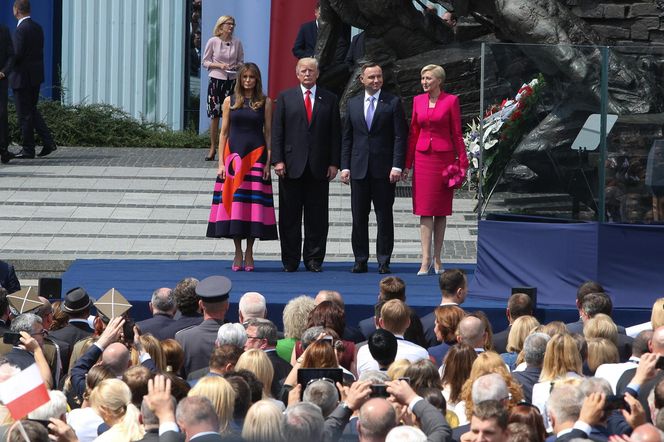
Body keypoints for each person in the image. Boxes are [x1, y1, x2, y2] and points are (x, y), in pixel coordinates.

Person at [271, 57, 341, 273]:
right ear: (297, 74)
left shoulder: (329, 98)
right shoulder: (285, 97)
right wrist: (278, 160)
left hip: (319, 167)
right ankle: (290, 260)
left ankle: (314, 259)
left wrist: (334, 163)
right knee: (289, 216)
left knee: (317, 217)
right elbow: (277, 131)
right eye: (304, 71)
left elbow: (335, 133)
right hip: (291, 166)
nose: (308, 74)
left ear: (318, 74)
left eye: (311, 70)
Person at [207, 62, 277, 271]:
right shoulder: (230, 101)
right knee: (236, 206)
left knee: (252, 208)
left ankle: (250, 252)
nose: (248, 80)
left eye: (251, 77)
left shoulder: (265, 101)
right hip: (233, 160)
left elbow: (268, 133)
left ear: (257, 80)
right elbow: (224, 133)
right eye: (245, 77)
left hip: (256, 158)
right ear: (240, 79)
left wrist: (268, 161)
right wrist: (220, 162)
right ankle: (237, 252)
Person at [340, 62, 407, 275]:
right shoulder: (352, 104)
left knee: (384, 217)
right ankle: (360, 259)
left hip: (384, 170)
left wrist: (397, 165)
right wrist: (345, 166)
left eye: (379, 77)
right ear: (362, 80)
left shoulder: (393, 102)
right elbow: (347, 138)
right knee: (359, 217)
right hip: (359, 169)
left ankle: (383, 260)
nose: (376, 80)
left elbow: (399, 136)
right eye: (371, 77)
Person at [402, 64, 468, 276]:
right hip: (423, 159)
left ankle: (438, 258)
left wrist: (463, 163)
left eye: (428, 78)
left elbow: (457, 133)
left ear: (439, 81)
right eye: (422, 78)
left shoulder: (451, 101)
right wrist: (407, 164)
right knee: (424, 209)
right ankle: (425, 259)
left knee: (440, 211)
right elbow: (413, 133)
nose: (424, 82)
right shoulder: (417, 101)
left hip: (443, 159)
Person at [10, 0, 56, 160]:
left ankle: (28, 149)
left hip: (22, 78)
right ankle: (48, 141)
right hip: (35, 77)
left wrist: (4, 67)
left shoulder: (21, 30)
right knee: (31, 111)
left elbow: (17, 55)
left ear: (16, 11)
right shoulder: (37, 27)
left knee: (24, 114)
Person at [202, 15, 244, 162]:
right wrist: (220, 65)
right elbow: (205, 62)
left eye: (233, 24)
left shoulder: (237, 42)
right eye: (228, 24)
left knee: (231, 115)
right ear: (221, 26)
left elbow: (241, 61)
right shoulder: (213, 41)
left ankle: (227, 148)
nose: (231, 27)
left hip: (232, 81)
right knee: (215, 115)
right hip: (216, 80)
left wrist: (236, 66)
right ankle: (213, 147)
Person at [0, 24, 13, 164]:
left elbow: (11, 55)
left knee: (2, 114)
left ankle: (3, 150)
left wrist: (4, 71)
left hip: (0, 80)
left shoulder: (4, 30)